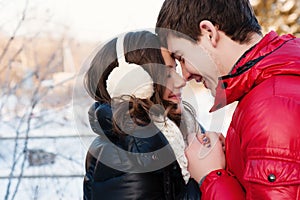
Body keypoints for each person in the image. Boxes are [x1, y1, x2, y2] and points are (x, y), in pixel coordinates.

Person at [155, 0, 300, 199]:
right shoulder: (269, 88)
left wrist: (212, 175)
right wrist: (230, 157)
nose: (186, 75)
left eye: (181, 57)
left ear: (209, 32)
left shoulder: (272, 107)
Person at [82, 30, 222, 199]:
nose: (181, 81)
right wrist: (208, 176)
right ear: (135, 83)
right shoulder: (123, 158)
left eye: (175, 70)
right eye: (166, 74)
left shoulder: (178, 131)